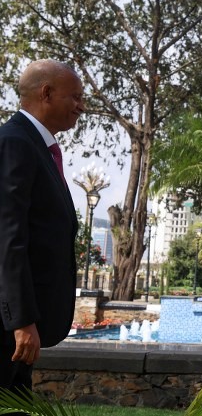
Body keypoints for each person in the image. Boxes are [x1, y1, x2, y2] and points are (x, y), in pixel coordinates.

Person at [0, 60, 84, 397]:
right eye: (75, 97)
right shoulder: (15, 144)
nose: (81, 106)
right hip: (9, 327)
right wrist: (20, 321)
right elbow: (8, 238)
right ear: (46, 93)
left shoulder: (38, 147)